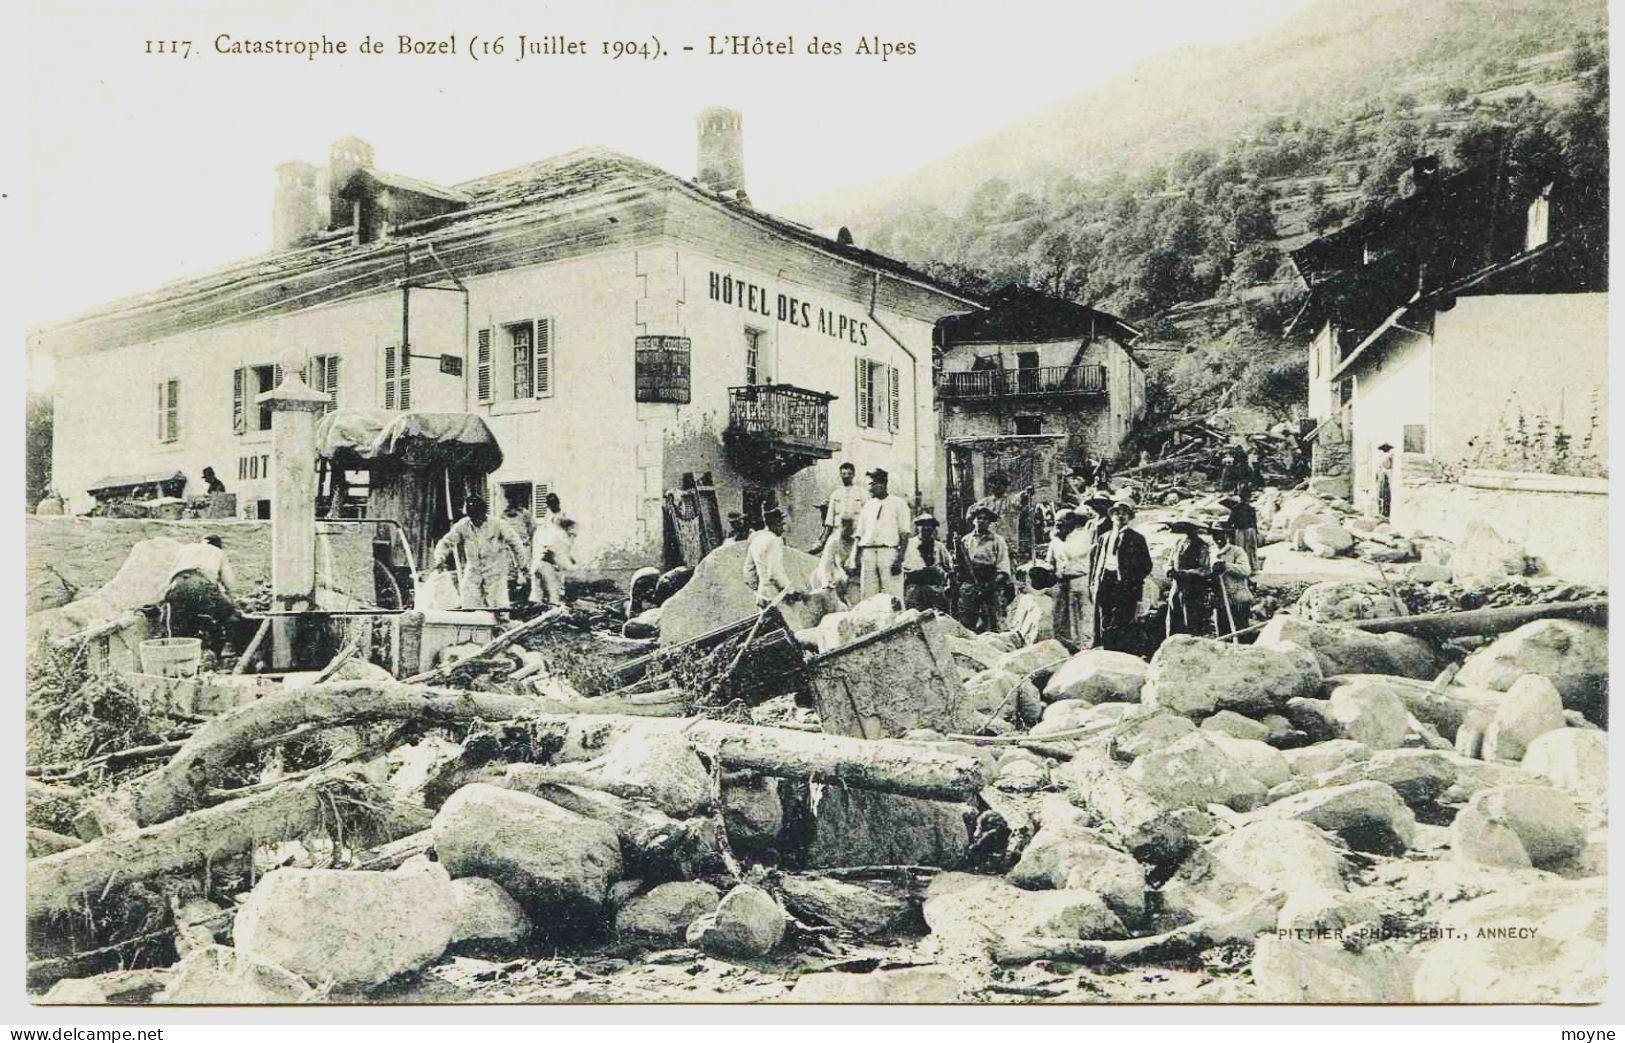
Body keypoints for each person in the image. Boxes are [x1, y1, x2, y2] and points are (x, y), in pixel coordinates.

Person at [433, 495, 528, 611]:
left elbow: (515, 543)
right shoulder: (463, 526)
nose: (476, 520)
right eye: (472, 516)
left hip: (495, 573)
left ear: (484, 513)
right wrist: (440, 558)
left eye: (478, 515)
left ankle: (501, 628)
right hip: (473, 572)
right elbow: (446, 542)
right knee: (469, 606)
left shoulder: (498, 524)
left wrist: (522, 566)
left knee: (498, 609)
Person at [162, 534, 246, 657]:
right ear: (218, 545)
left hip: (177, 586)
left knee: (180, 629)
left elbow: (169, 573)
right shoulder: (218, 552)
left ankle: (176, 658)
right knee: (231, 615)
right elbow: (230, 584)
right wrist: (232, 601)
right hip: (201, 583)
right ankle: (229, 647)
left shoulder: (186, 548)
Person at [1089, 495, 1152, 652]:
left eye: (1124, 513)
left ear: (1129, 517)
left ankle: (1120, 650)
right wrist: (1093, 582)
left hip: (1125, 584)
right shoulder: (1104, 537)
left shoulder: (1137, 538)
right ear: (1111, 516)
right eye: (1117, 513)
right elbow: (1096, 561)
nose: (1120, 516)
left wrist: (1131, 580)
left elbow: (1146, 565)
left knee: (1122, 617)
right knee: (1104, 615)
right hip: (1105, 580)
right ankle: (1105, 647)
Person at [849, 467, 911, 601]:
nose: (869, 489)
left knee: (893, 595)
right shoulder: (868, 506)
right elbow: (859, 534)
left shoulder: (899, 504)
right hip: (868, 553)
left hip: (888, 552)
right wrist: (854, 557)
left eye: (871, 485)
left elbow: (904, 534)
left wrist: (899, 560)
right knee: (868, 596)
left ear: (882, 484)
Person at [958, 505, 1012, 633]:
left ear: (989, 522)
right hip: (970, 584)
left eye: (985, 519)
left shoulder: (997, 541)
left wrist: (991, 586)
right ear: (973, 520)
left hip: (990, 584)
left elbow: (1003, 566)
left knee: (992, 621)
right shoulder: (965, 540)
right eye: (978, 518)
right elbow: (960, 566)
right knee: (967, 621)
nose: (981, 521)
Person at [743, 507, 803, 608]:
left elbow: (748, 572)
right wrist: (791, 591)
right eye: (781, 524)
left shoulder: (755, 540)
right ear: (774, 524)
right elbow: (774, 574)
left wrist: (759, 589)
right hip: (776, 596)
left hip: (763, 595)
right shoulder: (773, 541)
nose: (783, 529)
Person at [1164, 518, 1214, 637]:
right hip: (1176, 585)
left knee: (1191, 617)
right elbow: (1170, 560)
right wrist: (1168, 569)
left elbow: (1204, 569)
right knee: (1173, 614)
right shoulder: (1179, 542)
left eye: (1191, 528)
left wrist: (1187, 573)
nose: (1189, 531)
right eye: (1186, 527)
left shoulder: (1202, 545)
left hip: (1193, 586)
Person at [1047, 510, 1088, 650]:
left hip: (1078, 581)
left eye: (1061, 523)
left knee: (1079, 618)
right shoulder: (1055, 540)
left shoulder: (1082, 537)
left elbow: (1072, 554)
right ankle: (1063, 646)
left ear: (1072, 523)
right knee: (1059, 616)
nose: (1057, 526)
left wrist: (1059, 538)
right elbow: (1050, 561)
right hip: (1060, 582)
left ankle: (1082, 647)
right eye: (1056, 523)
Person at [900, 512, 954, 613]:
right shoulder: (909, 545)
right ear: (917, 527)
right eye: (923, 525)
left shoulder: (939, 546)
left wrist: (946, 584)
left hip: (935, 588)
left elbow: (949, 567)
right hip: (914, 588)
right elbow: (902, 567)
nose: (927, 528)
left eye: (931, 525)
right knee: (914, 617)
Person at [1210, 521, 1254, 635]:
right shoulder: (1211, 552)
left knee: (1240, 632)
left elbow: (1246, 570)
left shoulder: (1237, 551)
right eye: (1215, 534)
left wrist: (1226, 566)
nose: (1217, 538)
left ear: (1227, 535)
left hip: (1238, 598)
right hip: (1220, 599)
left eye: (1221, 534)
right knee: (1223, 633)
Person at [530, 513, 579, 609]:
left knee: (538, 597)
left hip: (538, 565)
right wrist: (574, 567)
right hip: (548, 567)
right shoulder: (561, 536)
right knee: (554, 598)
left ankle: (536, 614)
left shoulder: (548, 532)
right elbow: (559, 557)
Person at [820, 462, 867, 550]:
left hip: (856, 533)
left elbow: (866, 517)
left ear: (853, 475)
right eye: (844, 474)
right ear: (840, 475)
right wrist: (824, 539)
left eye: (849, 474)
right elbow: (830, 519)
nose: (846, 476)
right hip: (838, 532)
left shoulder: (861, 494)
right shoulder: (835, 494)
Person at [811, 515, 859, 601]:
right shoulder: (834, 540)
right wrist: (827, 580)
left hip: (853, 576)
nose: (849, 530)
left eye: (851, 527)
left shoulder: (856, 539)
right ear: (841, 526)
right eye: (845, 527)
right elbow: (825, 563)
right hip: (836, 573)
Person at [502, 491, 538, 601]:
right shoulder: (503, 515)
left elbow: (533, 531)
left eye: (513, 498)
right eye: (509, 498)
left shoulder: (525, 514)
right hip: (508, 549)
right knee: (510, 574)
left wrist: (530, 547)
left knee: (526, 572)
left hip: (523, 547)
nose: (511, 501)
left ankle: (527, 598)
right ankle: (512, 599)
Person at [1222, 487, 1262, 573]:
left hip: (1241, 531)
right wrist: (1257, 533)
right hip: (1251, 531)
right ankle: (1253, 567)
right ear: (1249, 498)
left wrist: (1225, 527)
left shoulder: (1236, 508)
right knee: (1251, 550)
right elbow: (1254, 522)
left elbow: (1230, 521)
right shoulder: (1251, 508)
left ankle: (1244, 567)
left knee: (1241, 550)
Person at [1374, 443, 1394, 519]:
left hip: (1383, 475)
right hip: (1385, 475)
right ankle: (1384, 511)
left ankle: (1383, 511)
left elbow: (1380, 468)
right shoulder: (1388, 457)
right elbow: (1387, 466)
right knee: (1385, 494)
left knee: (1383, 494)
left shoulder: (1382, 457)